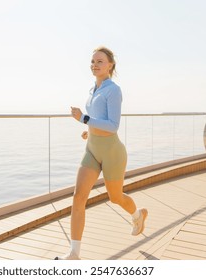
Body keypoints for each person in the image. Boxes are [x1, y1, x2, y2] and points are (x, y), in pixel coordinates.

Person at [55, 46, 148, 260]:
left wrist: (84, 119)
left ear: (110, 65)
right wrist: (89, 131)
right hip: (92, 150)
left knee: (115, 197)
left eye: (100, 61)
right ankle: (74, 254)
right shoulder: (92, 89)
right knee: (78, 197)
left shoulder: (113, 90)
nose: (95, 65)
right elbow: (99, 119)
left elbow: (113, 125)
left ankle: (138, 215)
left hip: (112, 153)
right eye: (93, 61)